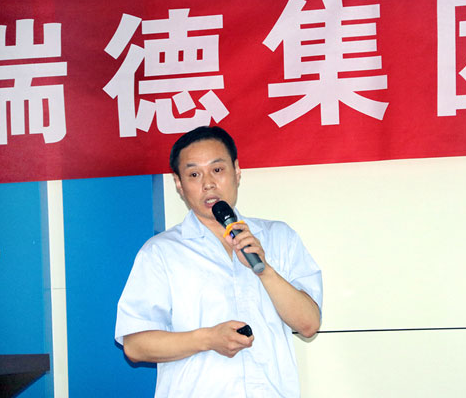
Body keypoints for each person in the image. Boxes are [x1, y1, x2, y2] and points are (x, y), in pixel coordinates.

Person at [115, 126, 323, 397]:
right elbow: (135, 345)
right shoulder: (161, 252)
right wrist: (207, 339)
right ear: (179, 184)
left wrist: (265, 271)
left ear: (237, 171)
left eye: (217, 169)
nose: (208, 184)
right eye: (194, 174)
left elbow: (308, 324)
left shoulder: (278, 237)